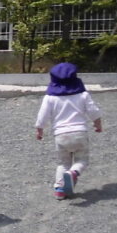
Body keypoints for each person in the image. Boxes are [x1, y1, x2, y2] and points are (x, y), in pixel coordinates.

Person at [35, 62, 103, 200]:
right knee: (82, 160)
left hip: (60, 135)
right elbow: (93, 111)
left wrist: (39, 129)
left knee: (62, 163)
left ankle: (60, 190)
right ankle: (73, 173)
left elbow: (43, 115)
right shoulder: (83, 95)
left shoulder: (50, 98)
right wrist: (97, 124)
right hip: (80, 133)